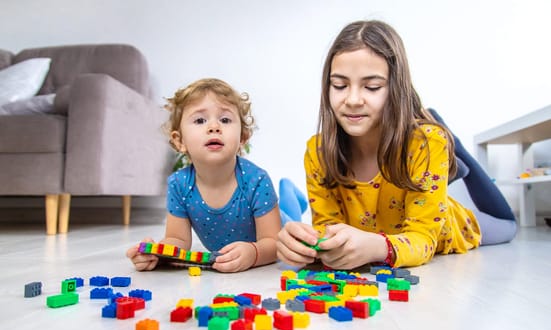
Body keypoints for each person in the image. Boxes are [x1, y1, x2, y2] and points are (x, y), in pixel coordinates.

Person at [276, 20, 517, 270]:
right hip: (408, 182)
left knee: (508, 226)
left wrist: (377, 247)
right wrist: (309, 246)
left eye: (372, 87)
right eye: (339, 85)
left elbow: (423, 239)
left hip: (449, 225)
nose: (353, 99)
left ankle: (455, 147)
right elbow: (329, 231)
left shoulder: (426, 144)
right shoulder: (318, 153)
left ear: (396, 89)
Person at [127, 78, 281, 272]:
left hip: (280, 223)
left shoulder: (256, 180)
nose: (214, 127)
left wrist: (254, 252)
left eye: (225, 120)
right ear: (179, 140)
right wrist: (157, 253)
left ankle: (291, 197)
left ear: (242, 138)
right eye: (200, 120)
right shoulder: (179, 184)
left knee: (291, 220)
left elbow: (274, 243)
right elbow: (178, 240)